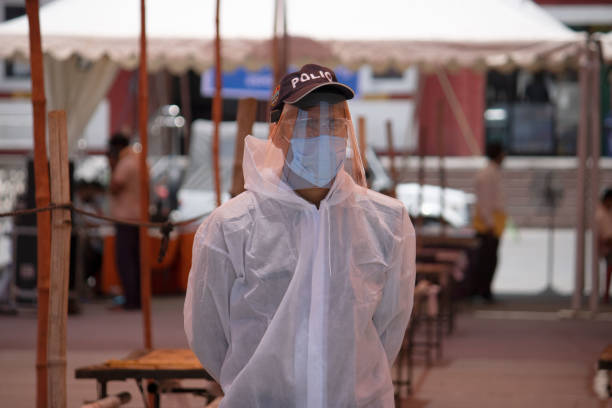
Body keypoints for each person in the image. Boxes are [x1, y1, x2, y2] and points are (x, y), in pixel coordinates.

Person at [184, 64, 416, 407]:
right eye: (307, 123)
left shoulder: (385, 222)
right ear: (278, 133)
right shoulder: (231, 226)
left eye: (334, 122)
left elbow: (388, 329)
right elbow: (208, 333)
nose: (324, 134)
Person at [108, 133, 143, 310]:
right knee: (137, 261)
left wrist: (112, 166)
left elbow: (115, 186)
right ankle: (136, 298)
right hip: (139, 218)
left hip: (126, 218)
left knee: (125, 261)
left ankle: (131, 300)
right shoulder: (140, 160)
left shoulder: (125, 163)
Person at [472, 142, 506, 303]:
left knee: (491, 259)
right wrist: (490, 223)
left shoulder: (493, 173)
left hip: (494, 222)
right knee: (486, 260)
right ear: (498, 155)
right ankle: (483, 291)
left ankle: (485, 290)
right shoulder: (486, 175)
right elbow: (485, 202)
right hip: (488, 224)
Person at [595, 188, 612, 304]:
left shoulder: (608, 212)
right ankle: (605, 293)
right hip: (608, 243)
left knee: (609, 269)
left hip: (608, 242)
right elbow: (600, 234)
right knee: (609, 269)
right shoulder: (600, 214)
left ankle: (606, 293)